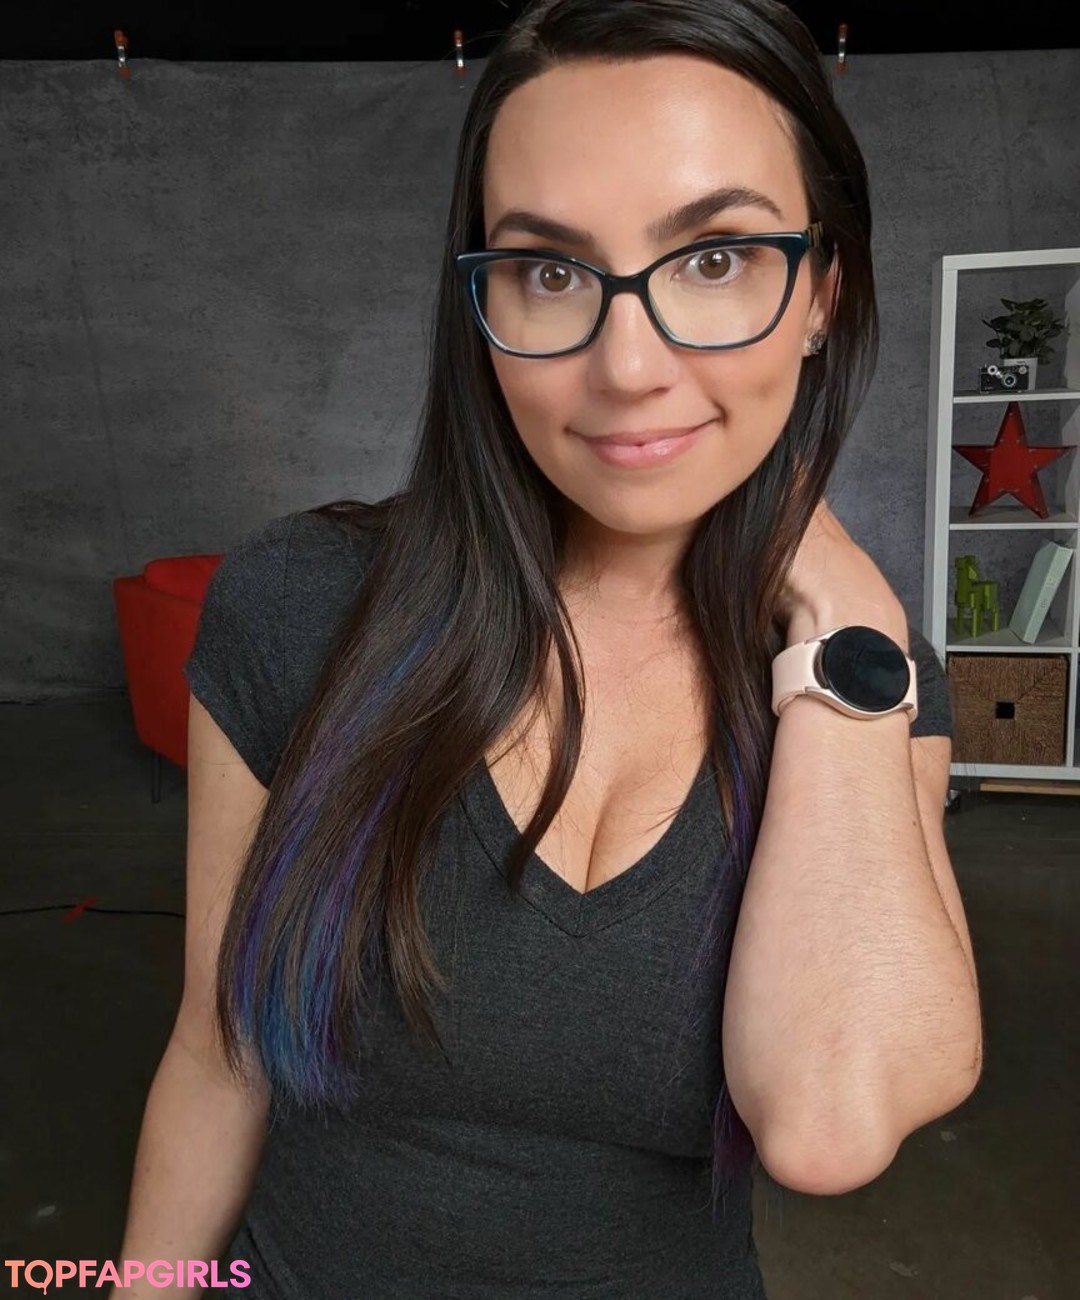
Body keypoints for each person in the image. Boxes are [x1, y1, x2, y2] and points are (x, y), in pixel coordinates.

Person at [112, 1, 983, 1296]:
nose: (627, 365)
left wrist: (845, 605)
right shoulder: (296, 605)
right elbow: (216, 1052)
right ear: (481, 304)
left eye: (714, 258)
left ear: (821, 294)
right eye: (552, 271)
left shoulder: (862, 684)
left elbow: (827, 1123)